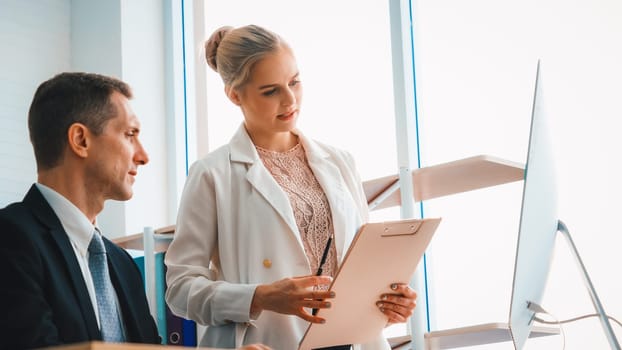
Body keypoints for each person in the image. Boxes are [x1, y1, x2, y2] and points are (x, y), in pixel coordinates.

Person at [164, 25, 418, 350]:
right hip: (268, 342)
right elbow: (180, 290)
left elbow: (361, 261)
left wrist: (392, 301)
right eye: (270, 91)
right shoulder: (211, 174)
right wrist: (260, 296)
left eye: (295, 82)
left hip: (353, 341)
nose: (289, 100)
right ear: (234, 94)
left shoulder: (340, 162)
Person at [0, 72, 270, 350]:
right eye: (130, 135)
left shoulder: (121, 263)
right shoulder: (10, 238)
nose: (143, 156)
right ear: (80, 139)